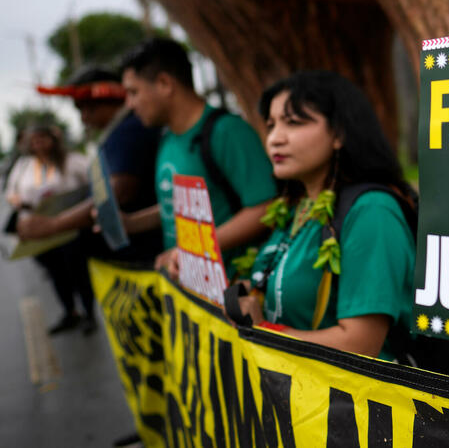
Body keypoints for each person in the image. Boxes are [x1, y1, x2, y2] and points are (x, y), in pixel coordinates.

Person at [233, 70, 417, 360]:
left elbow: (361, 344)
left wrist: (265, 331)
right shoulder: (297, 206)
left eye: (293, 123)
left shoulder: (372, 212)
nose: (274, 139)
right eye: (271, 125)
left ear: (339, 134)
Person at [117, 38, 276, 278]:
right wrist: (131, 223)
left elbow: (266, 207)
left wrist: (193, 248)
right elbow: (179, 203)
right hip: (190, 297)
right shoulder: (168, 138)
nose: (130, 104)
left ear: (164, 84)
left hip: (233, 293)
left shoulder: (227, 131)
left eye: (133, 92)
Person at [17, 67, 163, 264]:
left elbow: (118, 192)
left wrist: (55, 224)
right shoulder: (115, 133)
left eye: (84, 108)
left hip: (144, 251)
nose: (83, 118)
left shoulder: (126, 131)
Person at [6, 124, 93, 333]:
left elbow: (92, 181)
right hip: (40, 228)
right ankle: (70, 312)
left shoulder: (70, 161)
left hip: (69, 226)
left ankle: (89, 313)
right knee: (57, 273)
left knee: (78, 271)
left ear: (52, 140)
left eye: (42, 139)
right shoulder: (25, 165)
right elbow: (11, 190)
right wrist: (17, 200)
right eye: (34, 141)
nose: (38, 145)